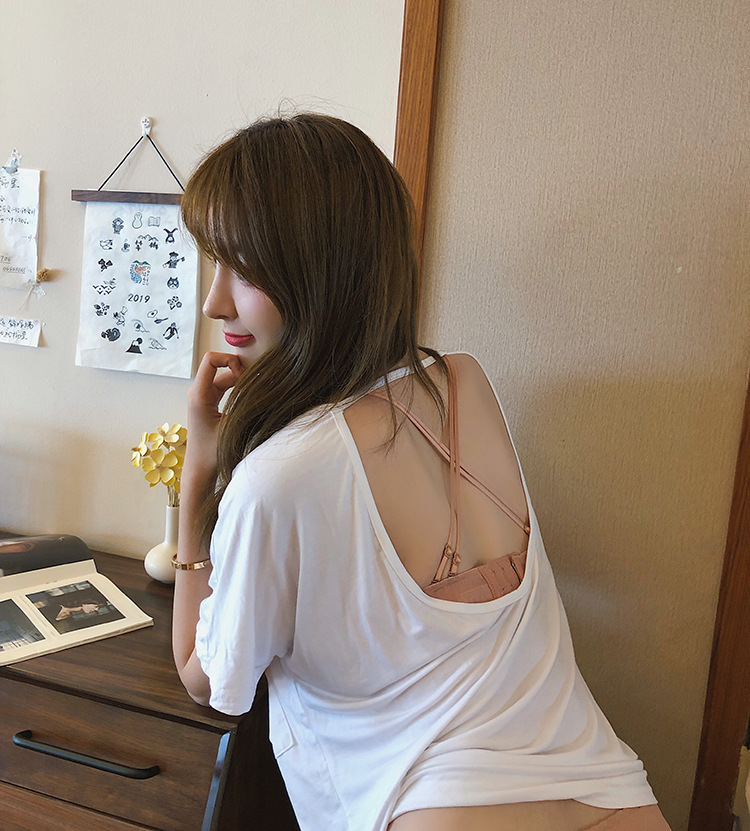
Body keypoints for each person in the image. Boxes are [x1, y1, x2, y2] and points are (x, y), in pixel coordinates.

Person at [171, 113, 671, 831]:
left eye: (243, 268)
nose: (214, 301)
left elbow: (208, 679)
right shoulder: (462, 385)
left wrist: (199, 472)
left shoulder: (277, 479)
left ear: (323, 272)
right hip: (614, 795)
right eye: (213, 263)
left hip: (437, 810)